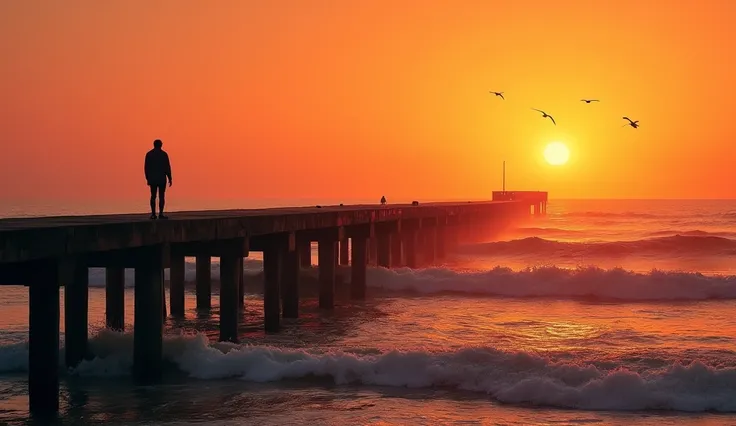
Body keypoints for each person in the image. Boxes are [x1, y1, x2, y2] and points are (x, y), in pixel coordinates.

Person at [144, 139, 172, 219]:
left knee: (153, 196)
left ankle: (153, 214)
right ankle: (161, 213)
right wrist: (170, 178)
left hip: (152, 179)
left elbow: (146, 167)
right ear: (161, 145)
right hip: (161, 179)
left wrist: (147, 177)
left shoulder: (149, 154)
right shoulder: (164, 155)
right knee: (161, 196)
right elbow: (167, 167)